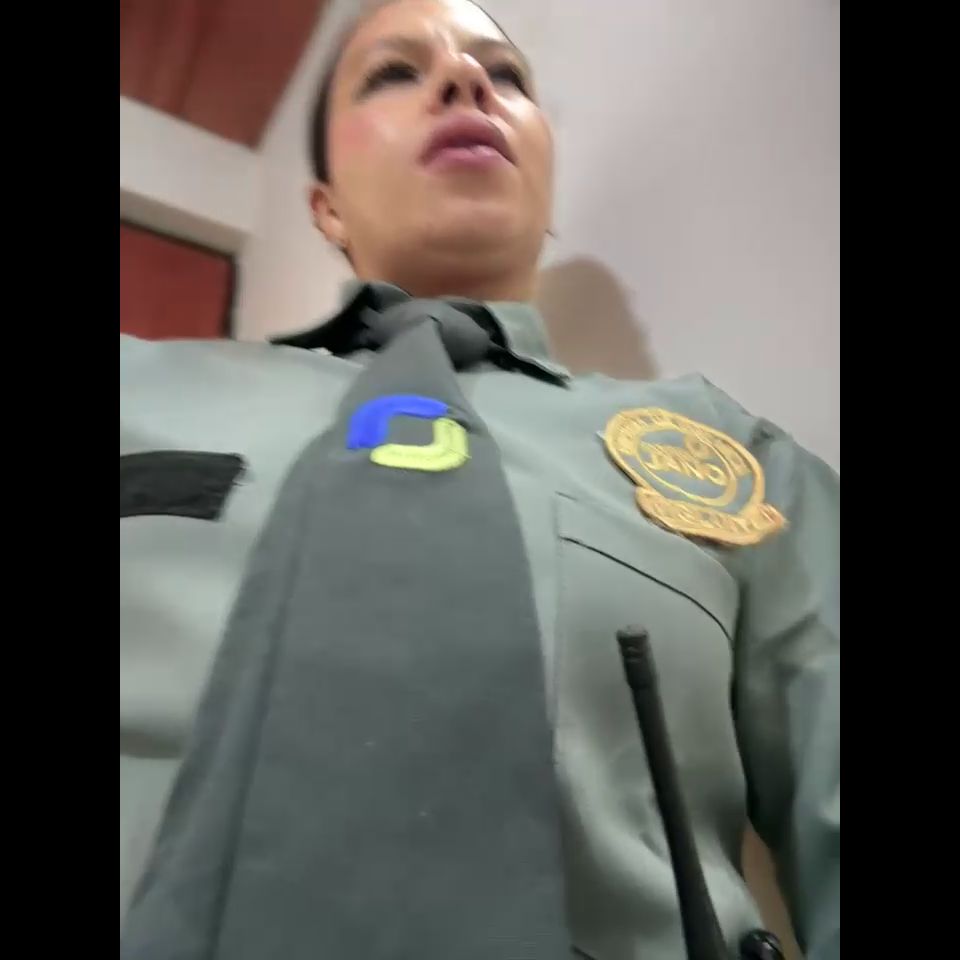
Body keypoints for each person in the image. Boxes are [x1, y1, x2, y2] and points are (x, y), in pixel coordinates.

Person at [119, 1, 840, 958]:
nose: (466, 81)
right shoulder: (139, 387)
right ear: (325, 207)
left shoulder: (732, 452)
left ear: (543, 181)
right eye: (394, 73)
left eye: (505, 76)